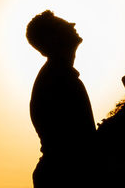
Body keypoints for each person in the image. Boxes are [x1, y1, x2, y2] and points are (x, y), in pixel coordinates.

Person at [27, 10, 97, 188]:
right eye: (62, 24)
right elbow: (85, 142)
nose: (72, 24)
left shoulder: (58, 76)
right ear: (52, 39)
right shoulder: (60, 80)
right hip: (66, 175)